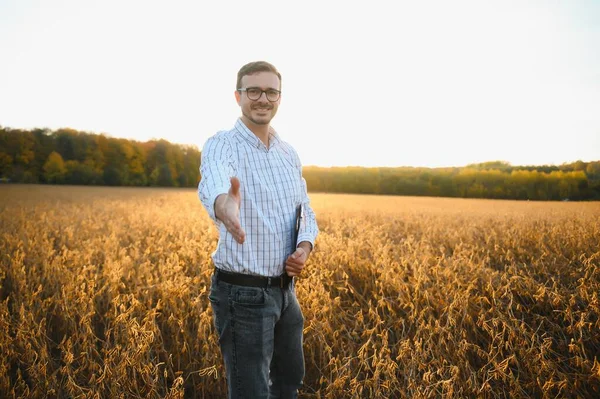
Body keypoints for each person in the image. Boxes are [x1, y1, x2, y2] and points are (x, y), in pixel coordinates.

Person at [198, 60, 319, 399]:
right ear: (238, 96)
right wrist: (225, 205)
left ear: (280, 98)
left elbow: (305, 211)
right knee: (251, 392)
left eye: (270, 91)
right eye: (253, 91)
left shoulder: (288, 153)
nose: (262, 99)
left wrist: (304, 248)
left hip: (286, 294)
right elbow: (214, 182)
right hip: (243, 295)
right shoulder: (223, 144)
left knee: (288, 385)